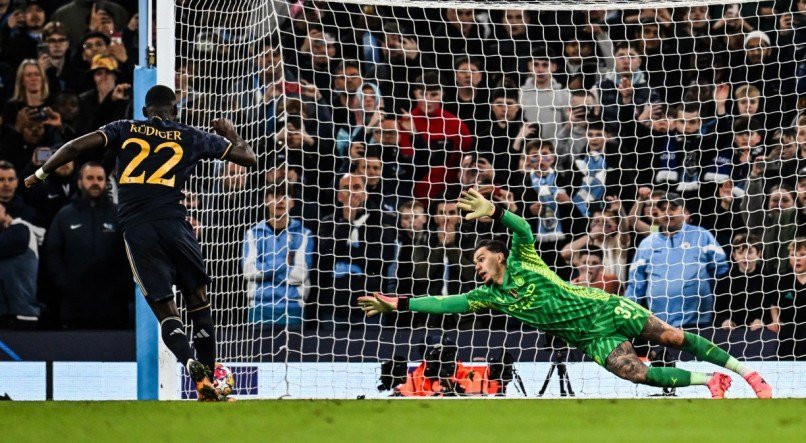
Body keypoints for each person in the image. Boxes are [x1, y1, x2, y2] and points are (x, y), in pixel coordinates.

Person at [358, 189, 773, 398]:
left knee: (674, 338)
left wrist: (496, 211)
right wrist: (399, 303)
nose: (477, 265)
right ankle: (712, 381)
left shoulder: (524, 260)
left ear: (499, 257)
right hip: (592, 338)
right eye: (474, 261)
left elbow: (521, 229)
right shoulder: (490, 297)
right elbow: (445, 304)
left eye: (481, 257)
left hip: (607, 309)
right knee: (638, 373)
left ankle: (747, 373)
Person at [23, 84, 257, 401]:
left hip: (139, 231)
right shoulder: (190, 134)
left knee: (166, 312)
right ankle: (208, 379)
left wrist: (40, 173)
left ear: (145, 112)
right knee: (199, 302)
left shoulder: (124, 128)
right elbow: (248, 158)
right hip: (177, 225)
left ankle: (190, 364)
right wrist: (230, 131)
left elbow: (76, 146)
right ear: (175, 112)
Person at [43, 162, 130, 329]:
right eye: (90, 178)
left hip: (113, 307)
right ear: (80, 182)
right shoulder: (65, 215)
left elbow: (129, 254)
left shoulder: (118, 214)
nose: (95, 182)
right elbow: (52, 253)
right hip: (75, 306)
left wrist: (121, 286)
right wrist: (66, 284)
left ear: (106, 182)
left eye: (100, 178)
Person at [626, 192, 729, 329]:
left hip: (700, 322)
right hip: (660, 325)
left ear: (684, 211)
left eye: (673, 208)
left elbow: (722, 272)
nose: (667, 213)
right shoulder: (647, 244)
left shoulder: (701, 235)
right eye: (663, 209)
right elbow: (635, 286)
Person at [243, 184, 313, 329]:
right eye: (275, 196)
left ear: (292, 202)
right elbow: (249, 271)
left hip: (293, 308)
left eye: (285, 197)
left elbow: (299, 275)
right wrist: (283, 262)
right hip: (259, 308)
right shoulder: (253, 234)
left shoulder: (304, 234)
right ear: (266, 201)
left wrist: (265, 271)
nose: (280, 201)